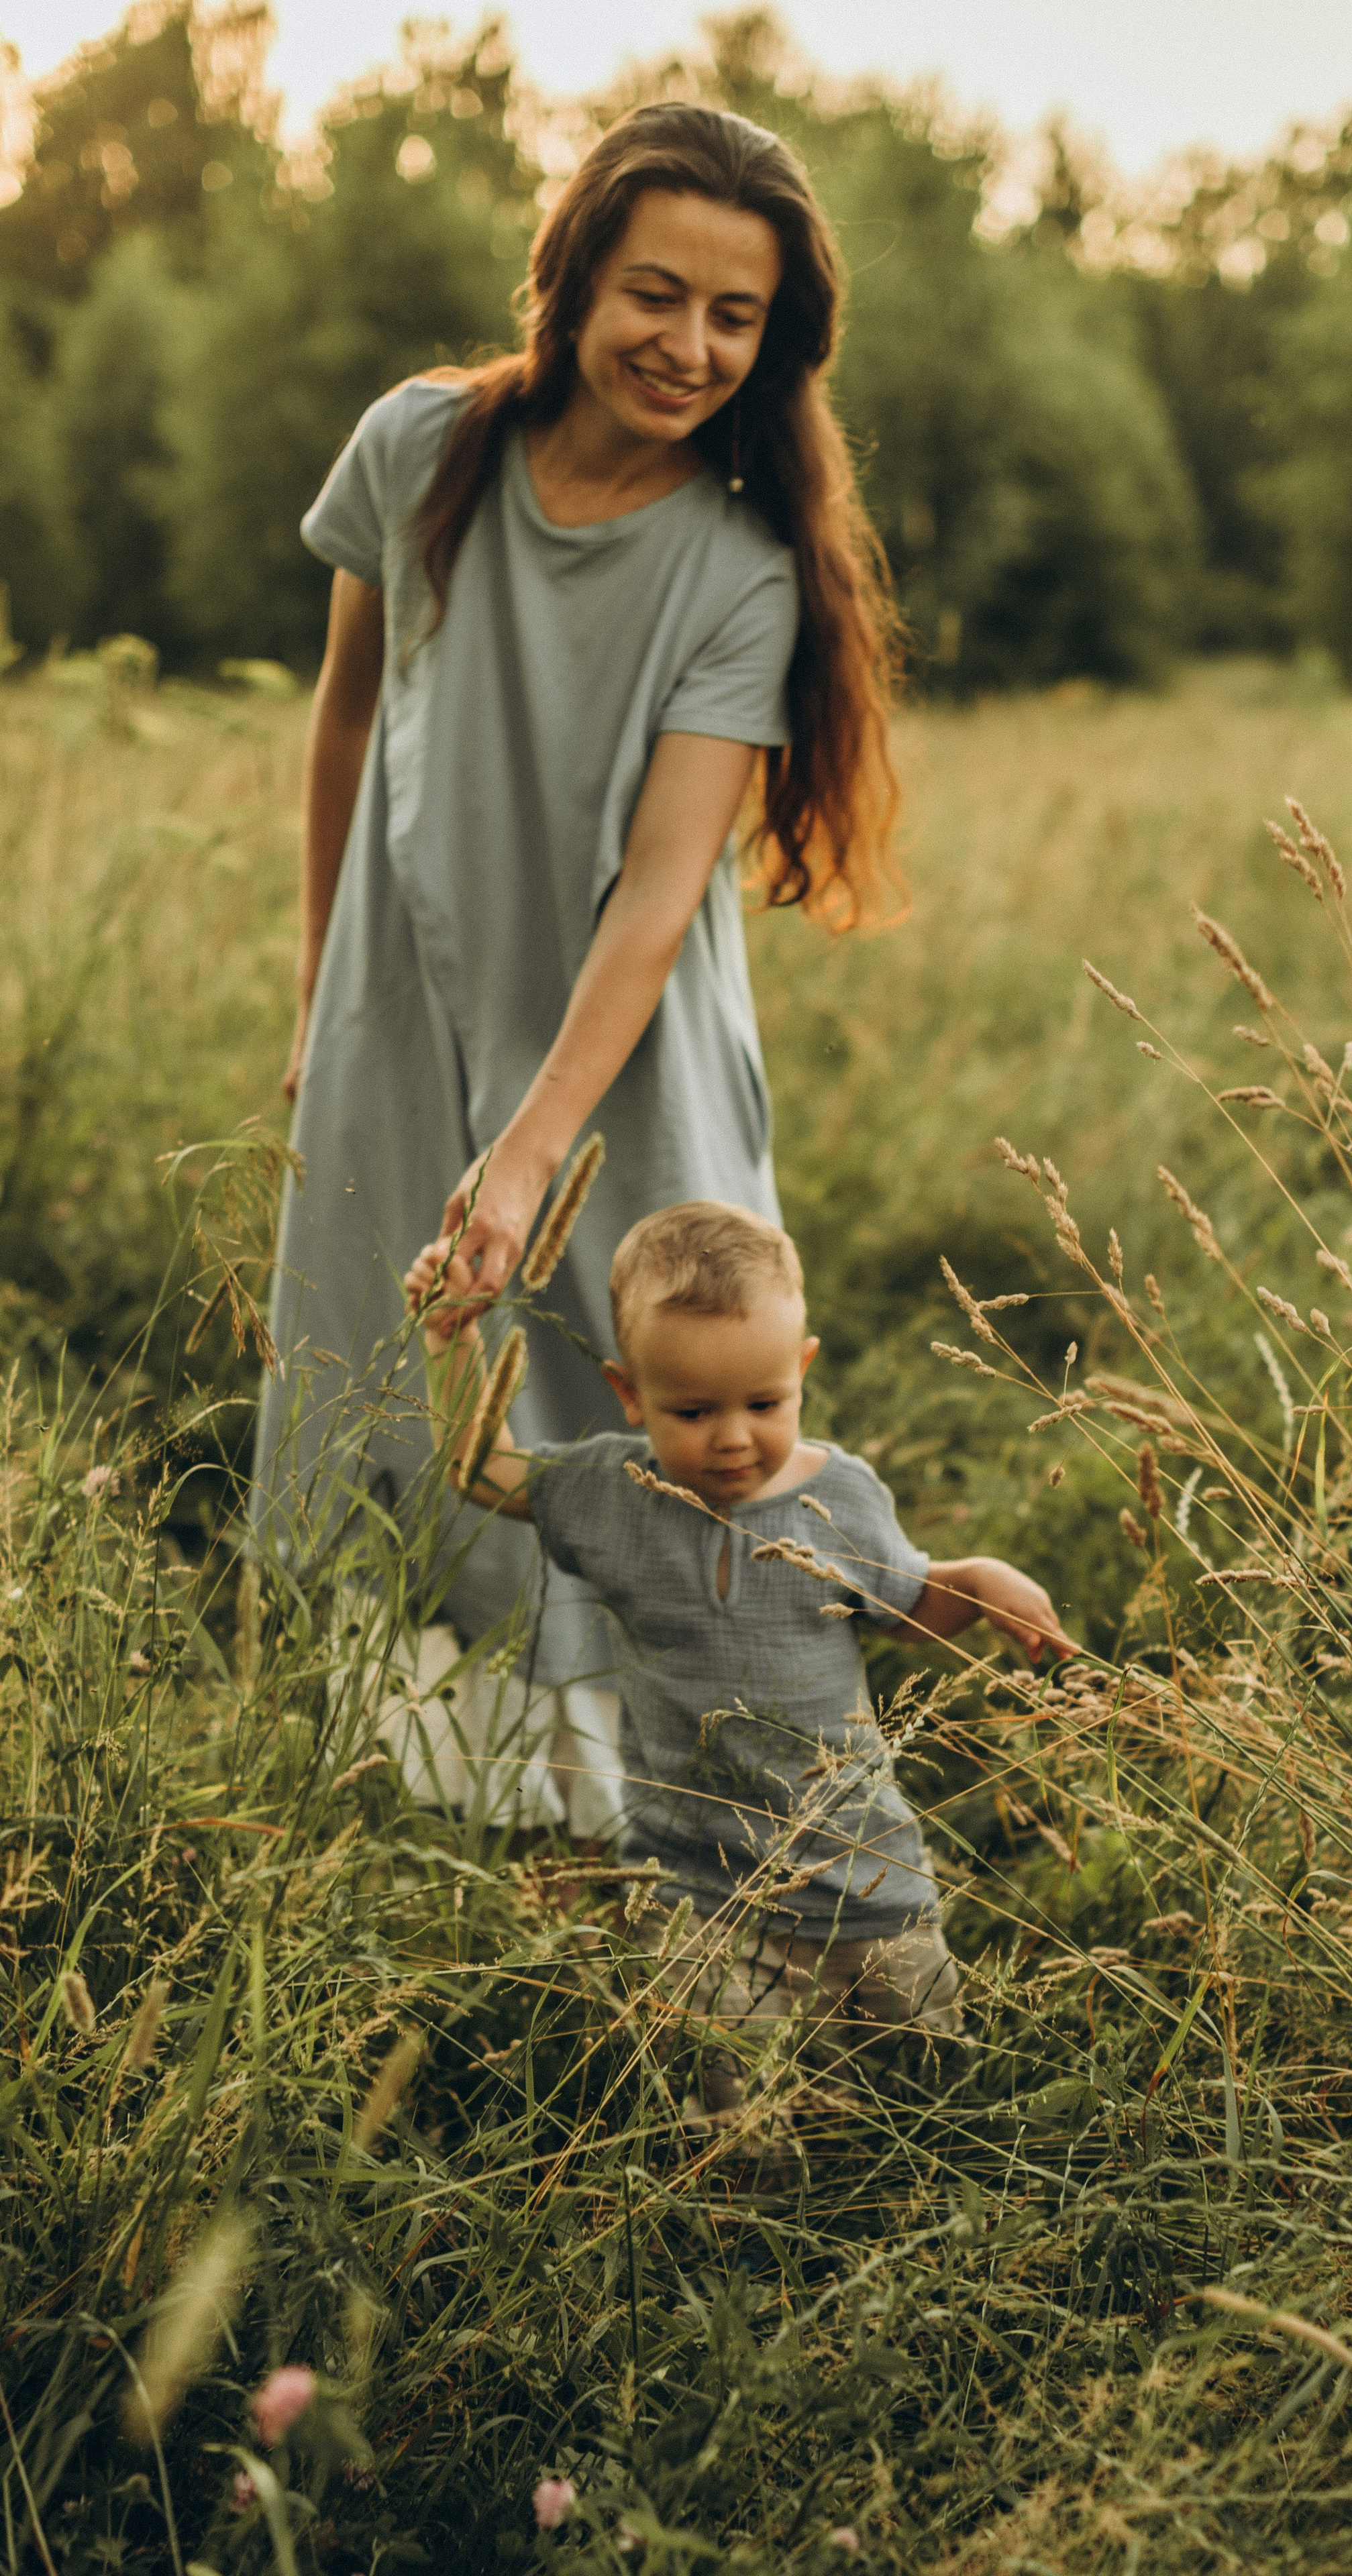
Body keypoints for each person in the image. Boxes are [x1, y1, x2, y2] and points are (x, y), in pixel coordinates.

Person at [252, 103, 899, 1835]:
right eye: (655, 293)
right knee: (399, 1397)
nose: (688, 346)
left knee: (669, 1425)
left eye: (734, 316)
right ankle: (448, 1823)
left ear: (777, 341)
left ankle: (714, 1848)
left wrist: (533, 1152)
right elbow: (346, 711)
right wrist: (325, 980)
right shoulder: (416, 451)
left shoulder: (741, 566)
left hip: (631, 1048)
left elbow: (664, 889)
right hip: (406, 1002)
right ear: (571, 277)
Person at [405, 1200, 1077, 2114]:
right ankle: (744, 2212)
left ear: (800, 1369)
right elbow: (485, 1470)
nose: (732, 1438)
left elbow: (907, 1606)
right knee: (728, 2099)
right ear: (629, 1392)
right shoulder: (613, 1494)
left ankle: (928, 2192)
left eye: (764, 1404)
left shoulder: (838, 1496)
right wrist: (452, 1343)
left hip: (860, 1871)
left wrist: (981, 1580)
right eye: (691, 1410)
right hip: (697, 1887)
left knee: (925, 2077)